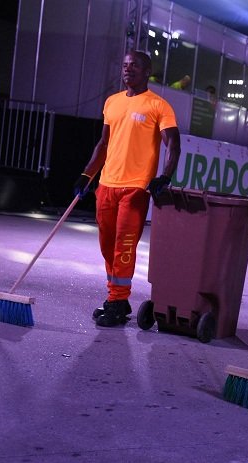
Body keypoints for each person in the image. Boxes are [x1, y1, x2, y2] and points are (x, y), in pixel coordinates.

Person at [75, 50, 181, 327]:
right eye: (124, 65)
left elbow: (173, 144)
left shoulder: (159, 106)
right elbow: (104, 144)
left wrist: (165, 176)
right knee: (107, 245)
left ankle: (116, 300)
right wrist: (86, 174)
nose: (127, 69)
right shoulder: (112, 102)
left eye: (134, 65)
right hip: (106, 185)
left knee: (124, 244)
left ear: (147, 71)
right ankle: (118, 299)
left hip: (135, 188)